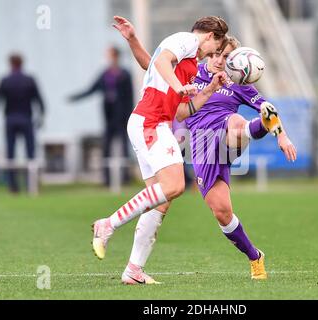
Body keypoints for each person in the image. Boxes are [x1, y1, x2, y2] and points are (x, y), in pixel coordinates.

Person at [111, 17, 297, 285]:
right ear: (212, 51)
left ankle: (255, 128)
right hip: (201, 147)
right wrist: (132, 39)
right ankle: (255, 256)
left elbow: (269, 108)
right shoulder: (193, 69)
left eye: (228, 57)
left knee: (234, 124)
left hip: (228, 138)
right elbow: (151, 64)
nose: (221, 60)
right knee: (222, 212)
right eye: (219, 54)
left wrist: (282, 136)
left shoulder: (239, 84)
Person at [91, 16, 229, 284]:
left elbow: (180, 107)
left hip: (154, 122)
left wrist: (210, 88)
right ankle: (108, 224)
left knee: (161, 200)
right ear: (211, 35)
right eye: (218, 48)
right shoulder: (187, 41)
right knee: (175, 185)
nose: (214, 56)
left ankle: (133, 270)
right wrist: (180, 86)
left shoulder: (187, 62)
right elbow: (160, 61)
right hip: (150, 122)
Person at [69, 47, 134, 186]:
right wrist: (75, 98)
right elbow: (91, 89)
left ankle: (125, 178)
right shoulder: (105, 74)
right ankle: (107, 179)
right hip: (109, 116)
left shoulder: (125, 74)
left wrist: (130, 116)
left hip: (122, 117)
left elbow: (130, 97)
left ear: (115, 56)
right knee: (106, 147)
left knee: (123, 147)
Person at [0, 54, 45, 194]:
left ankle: (13, 186)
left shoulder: (5, 80)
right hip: (26, 118)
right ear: (21, 63)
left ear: (10, 64)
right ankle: (31, 184)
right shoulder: (29, 80)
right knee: (30, 153)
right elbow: (39, 100)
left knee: (10, 154)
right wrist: (41, 117)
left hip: (11, 119)